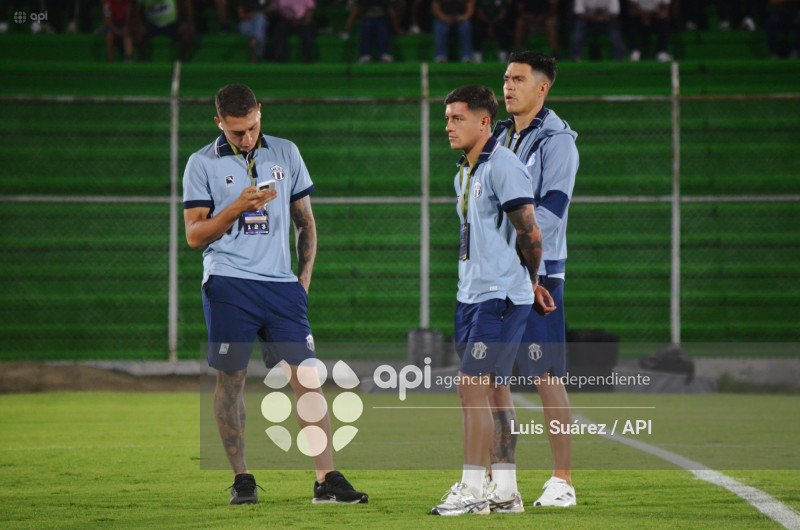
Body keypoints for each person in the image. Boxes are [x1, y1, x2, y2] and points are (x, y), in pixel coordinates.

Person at [182, 84, 368, 506]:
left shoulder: (286, 152)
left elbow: (305, 221)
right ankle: (242, 478)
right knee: (231, 379)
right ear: (219, 123)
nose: (245, 138)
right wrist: (234, 208)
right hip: (229, 283)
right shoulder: (201, 163)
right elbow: (194, 236)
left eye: (250, 128)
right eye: (236, 132)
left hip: (282, 288)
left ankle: (326, 480)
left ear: (260, 113)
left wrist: (302, 280)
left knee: (308, 376)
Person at [431, 84, 555, 516]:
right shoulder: (464, 171)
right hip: (472, 296)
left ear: (485, 121)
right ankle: (504, 491)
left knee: (471, 388)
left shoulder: (503, 166)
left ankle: (472, 489)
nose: (447, 126)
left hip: (498, 298)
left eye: (457, 118)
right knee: (496, 389)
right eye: (447, 118)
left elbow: (530, 232)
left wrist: (531, 282)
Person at [491, 51, 579, 507]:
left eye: (518, 79)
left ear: (542, 88)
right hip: (497, 275)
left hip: (538, 273)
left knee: (545, 375)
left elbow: (551, 211)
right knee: (491, 375)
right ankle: (500, 483)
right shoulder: (504, 137)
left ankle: (562, 481)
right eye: (506, 78)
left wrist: (518, 257)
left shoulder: (557, 141)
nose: (508, 86)